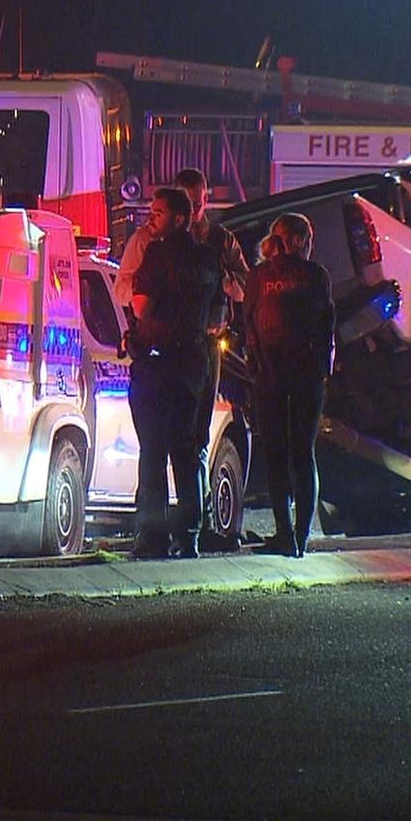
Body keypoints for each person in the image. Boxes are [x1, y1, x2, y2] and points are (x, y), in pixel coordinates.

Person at [128, 187, 221, 559]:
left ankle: (153, 537)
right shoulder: (209, 259)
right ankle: (190, 535)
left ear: (180, 218)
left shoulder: (157, 253)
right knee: (186, 451)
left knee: (152, 451)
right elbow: (218, 316)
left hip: (157, 362)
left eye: (159, 212)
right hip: (193, 363)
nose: (151, 217)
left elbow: (141, 308)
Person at [243, 213, 334, 558]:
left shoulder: (258, 276)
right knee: (303, 453)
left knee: (276, 455)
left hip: (269, 376)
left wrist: (256, 363)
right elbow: (326, 326)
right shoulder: (316, 276)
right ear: (297, 241)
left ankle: (284, 535)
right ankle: (302, 535)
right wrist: (324, 369)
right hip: (307, 376)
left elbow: (248, 323)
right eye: (308, 240)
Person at [174, 168, 249, 551]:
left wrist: (224, 281)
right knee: (175, 435)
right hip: (175, 344)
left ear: (205, 200)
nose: (193, 208)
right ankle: (179, 523)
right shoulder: (166, 239)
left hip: (207, 342)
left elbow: (244, 287)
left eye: (197, 200)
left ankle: (198, 521)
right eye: (186, 201)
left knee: (200, 433)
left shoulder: (221, 241)